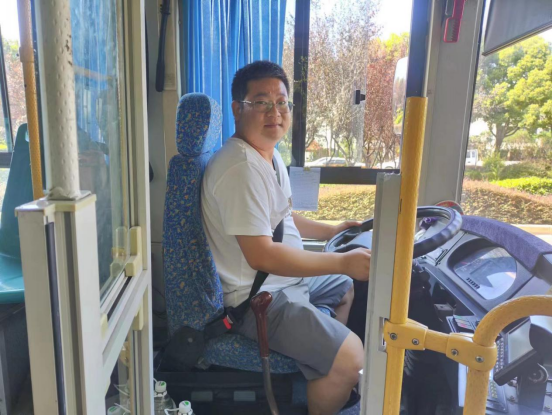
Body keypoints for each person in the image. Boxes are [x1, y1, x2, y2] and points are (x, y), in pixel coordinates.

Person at [201, 60, 371, 415]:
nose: (274, 112)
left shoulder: (268, 156)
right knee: (353, 358)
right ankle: (334, 369)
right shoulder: (240, 169)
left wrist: (331, 230)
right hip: (260, 300)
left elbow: (282, 218)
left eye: (281, 102)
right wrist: (342, 260)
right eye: (261, 102)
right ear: (238, 108)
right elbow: (262, 255)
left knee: (343, 287)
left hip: (283, 282)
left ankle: (321, 366)